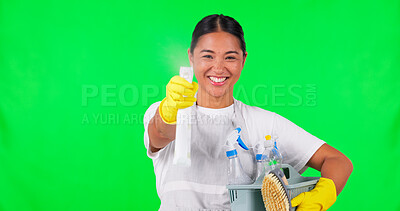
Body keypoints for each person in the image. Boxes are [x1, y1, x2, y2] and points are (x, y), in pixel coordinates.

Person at [143, 14, 353, 211]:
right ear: (191, 57)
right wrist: (170, 111)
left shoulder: (263, 123)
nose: (218, 67)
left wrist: (323, 195)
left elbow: (338, 161)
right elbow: (160, 135)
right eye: (208, 56)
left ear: (243, 60)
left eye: (230, 58)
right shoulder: (162, 111)